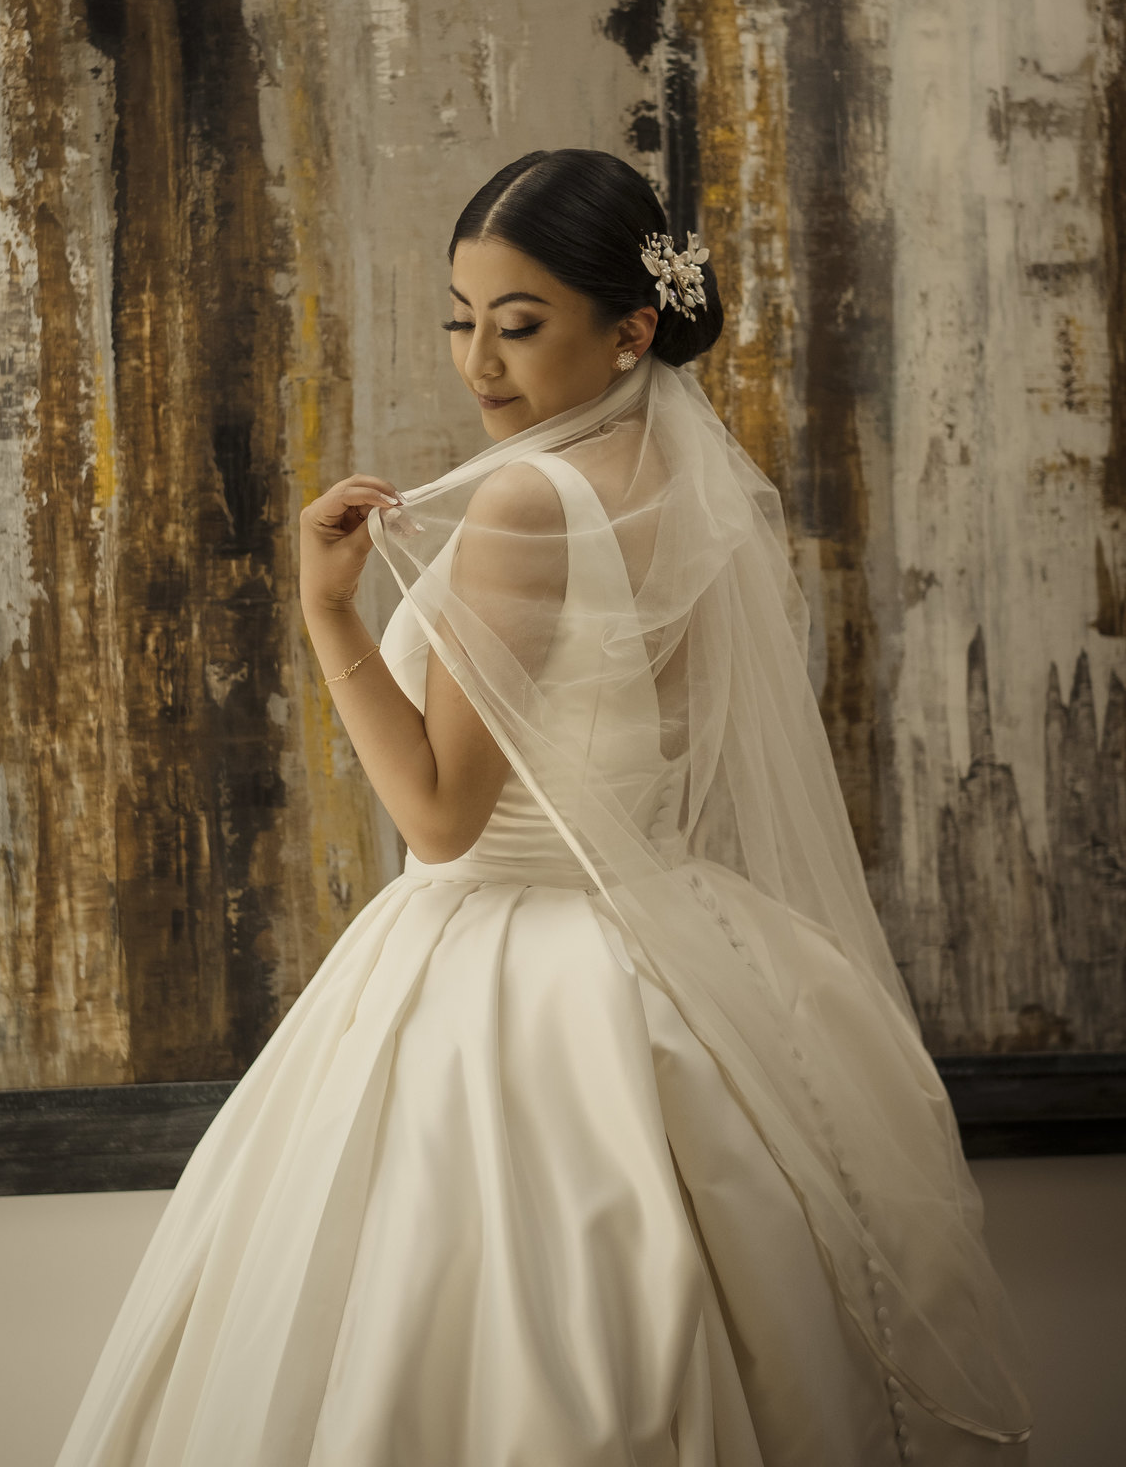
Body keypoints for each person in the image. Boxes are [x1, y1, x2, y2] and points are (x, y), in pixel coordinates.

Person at [55, 149, 1031, 1466]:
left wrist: (328, 610)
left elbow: (440, 818)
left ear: (631, 330)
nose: (479, 365)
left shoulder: (527, 499)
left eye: (518, 326)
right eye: (460, 320)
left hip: (508, 965)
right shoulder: (685, 478)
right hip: (681, 944)